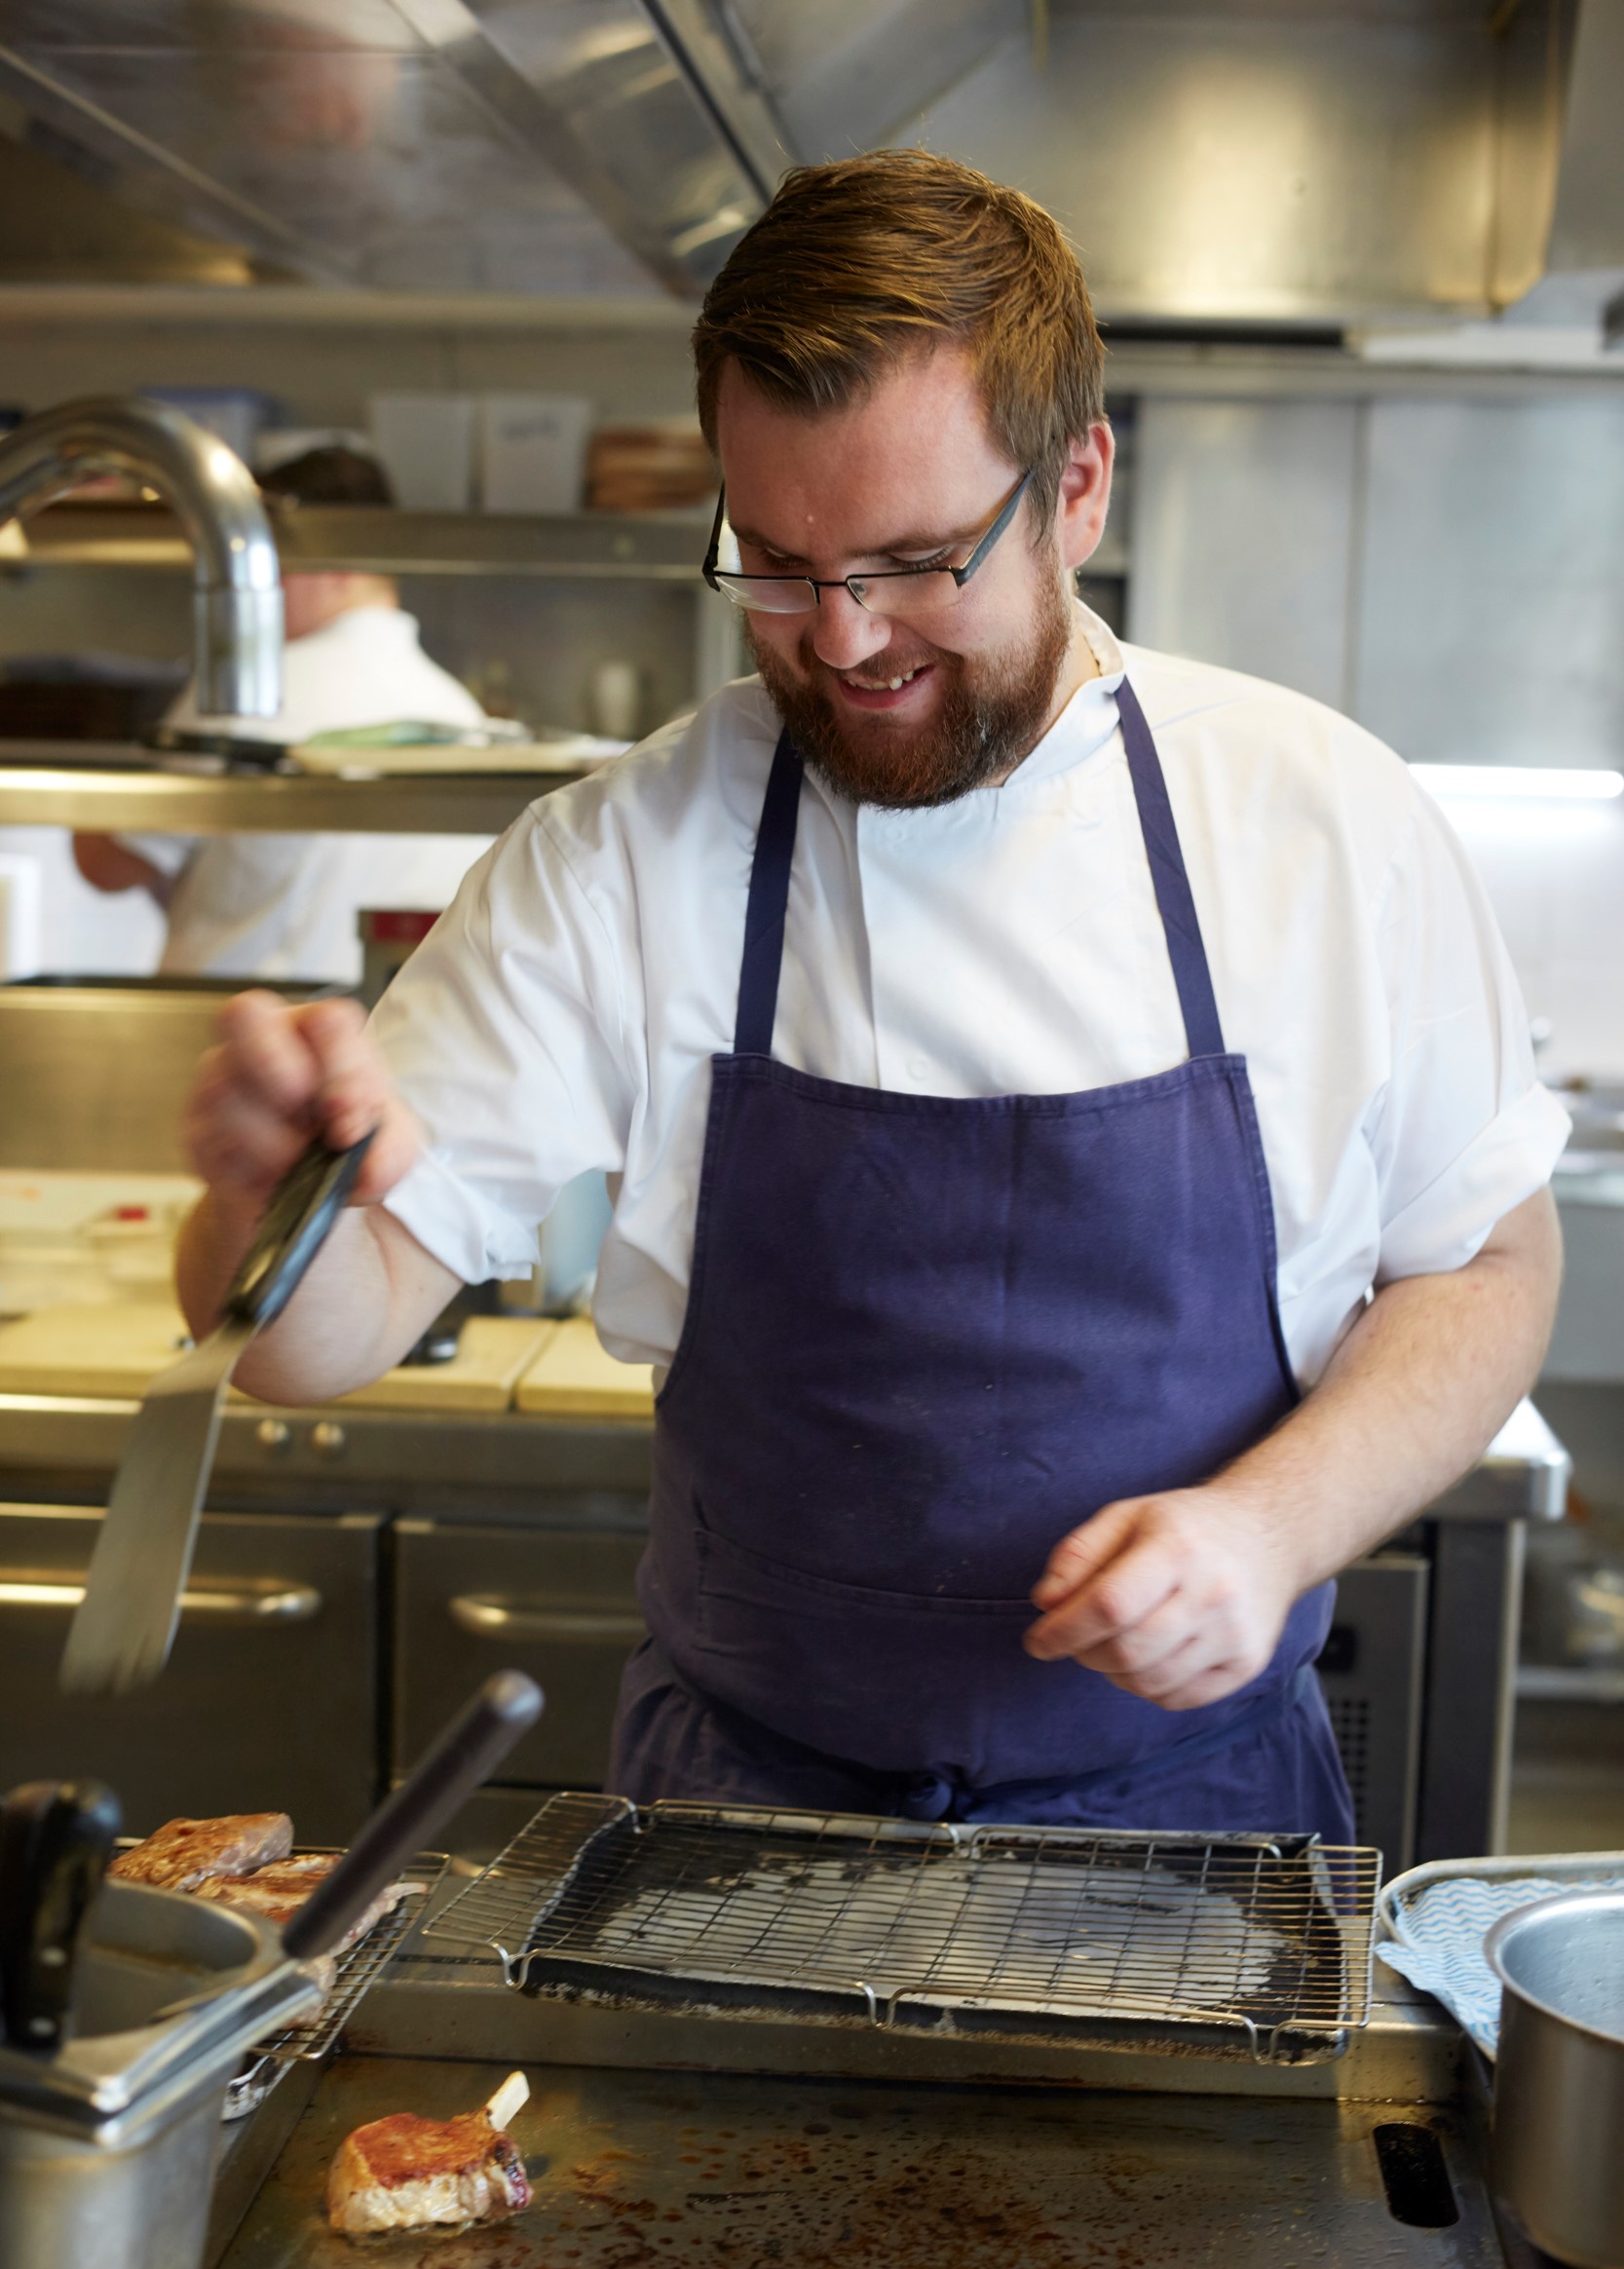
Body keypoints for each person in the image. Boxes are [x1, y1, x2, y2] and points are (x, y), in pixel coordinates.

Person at [176, 154, 1567, 1838]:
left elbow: (1486, 1259)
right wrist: (265, 1209)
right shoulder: (620, 856)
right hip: (736, 1835)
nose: (840, 642)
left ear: (1075, 489)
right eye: (776, 562)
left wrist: (1276, 1524)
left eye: (913, 561)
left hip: (1191, 1830)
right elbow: (316, 1337)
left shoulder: (1315, 822)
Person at [73, 445, 490, 982]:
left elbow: (108, 865)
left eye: (269, 560)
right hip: (387, 1022)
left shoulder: (249, 689)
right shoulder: (459, 711)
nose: (256, 583)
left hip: (236, 1018)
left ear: (333, 560)